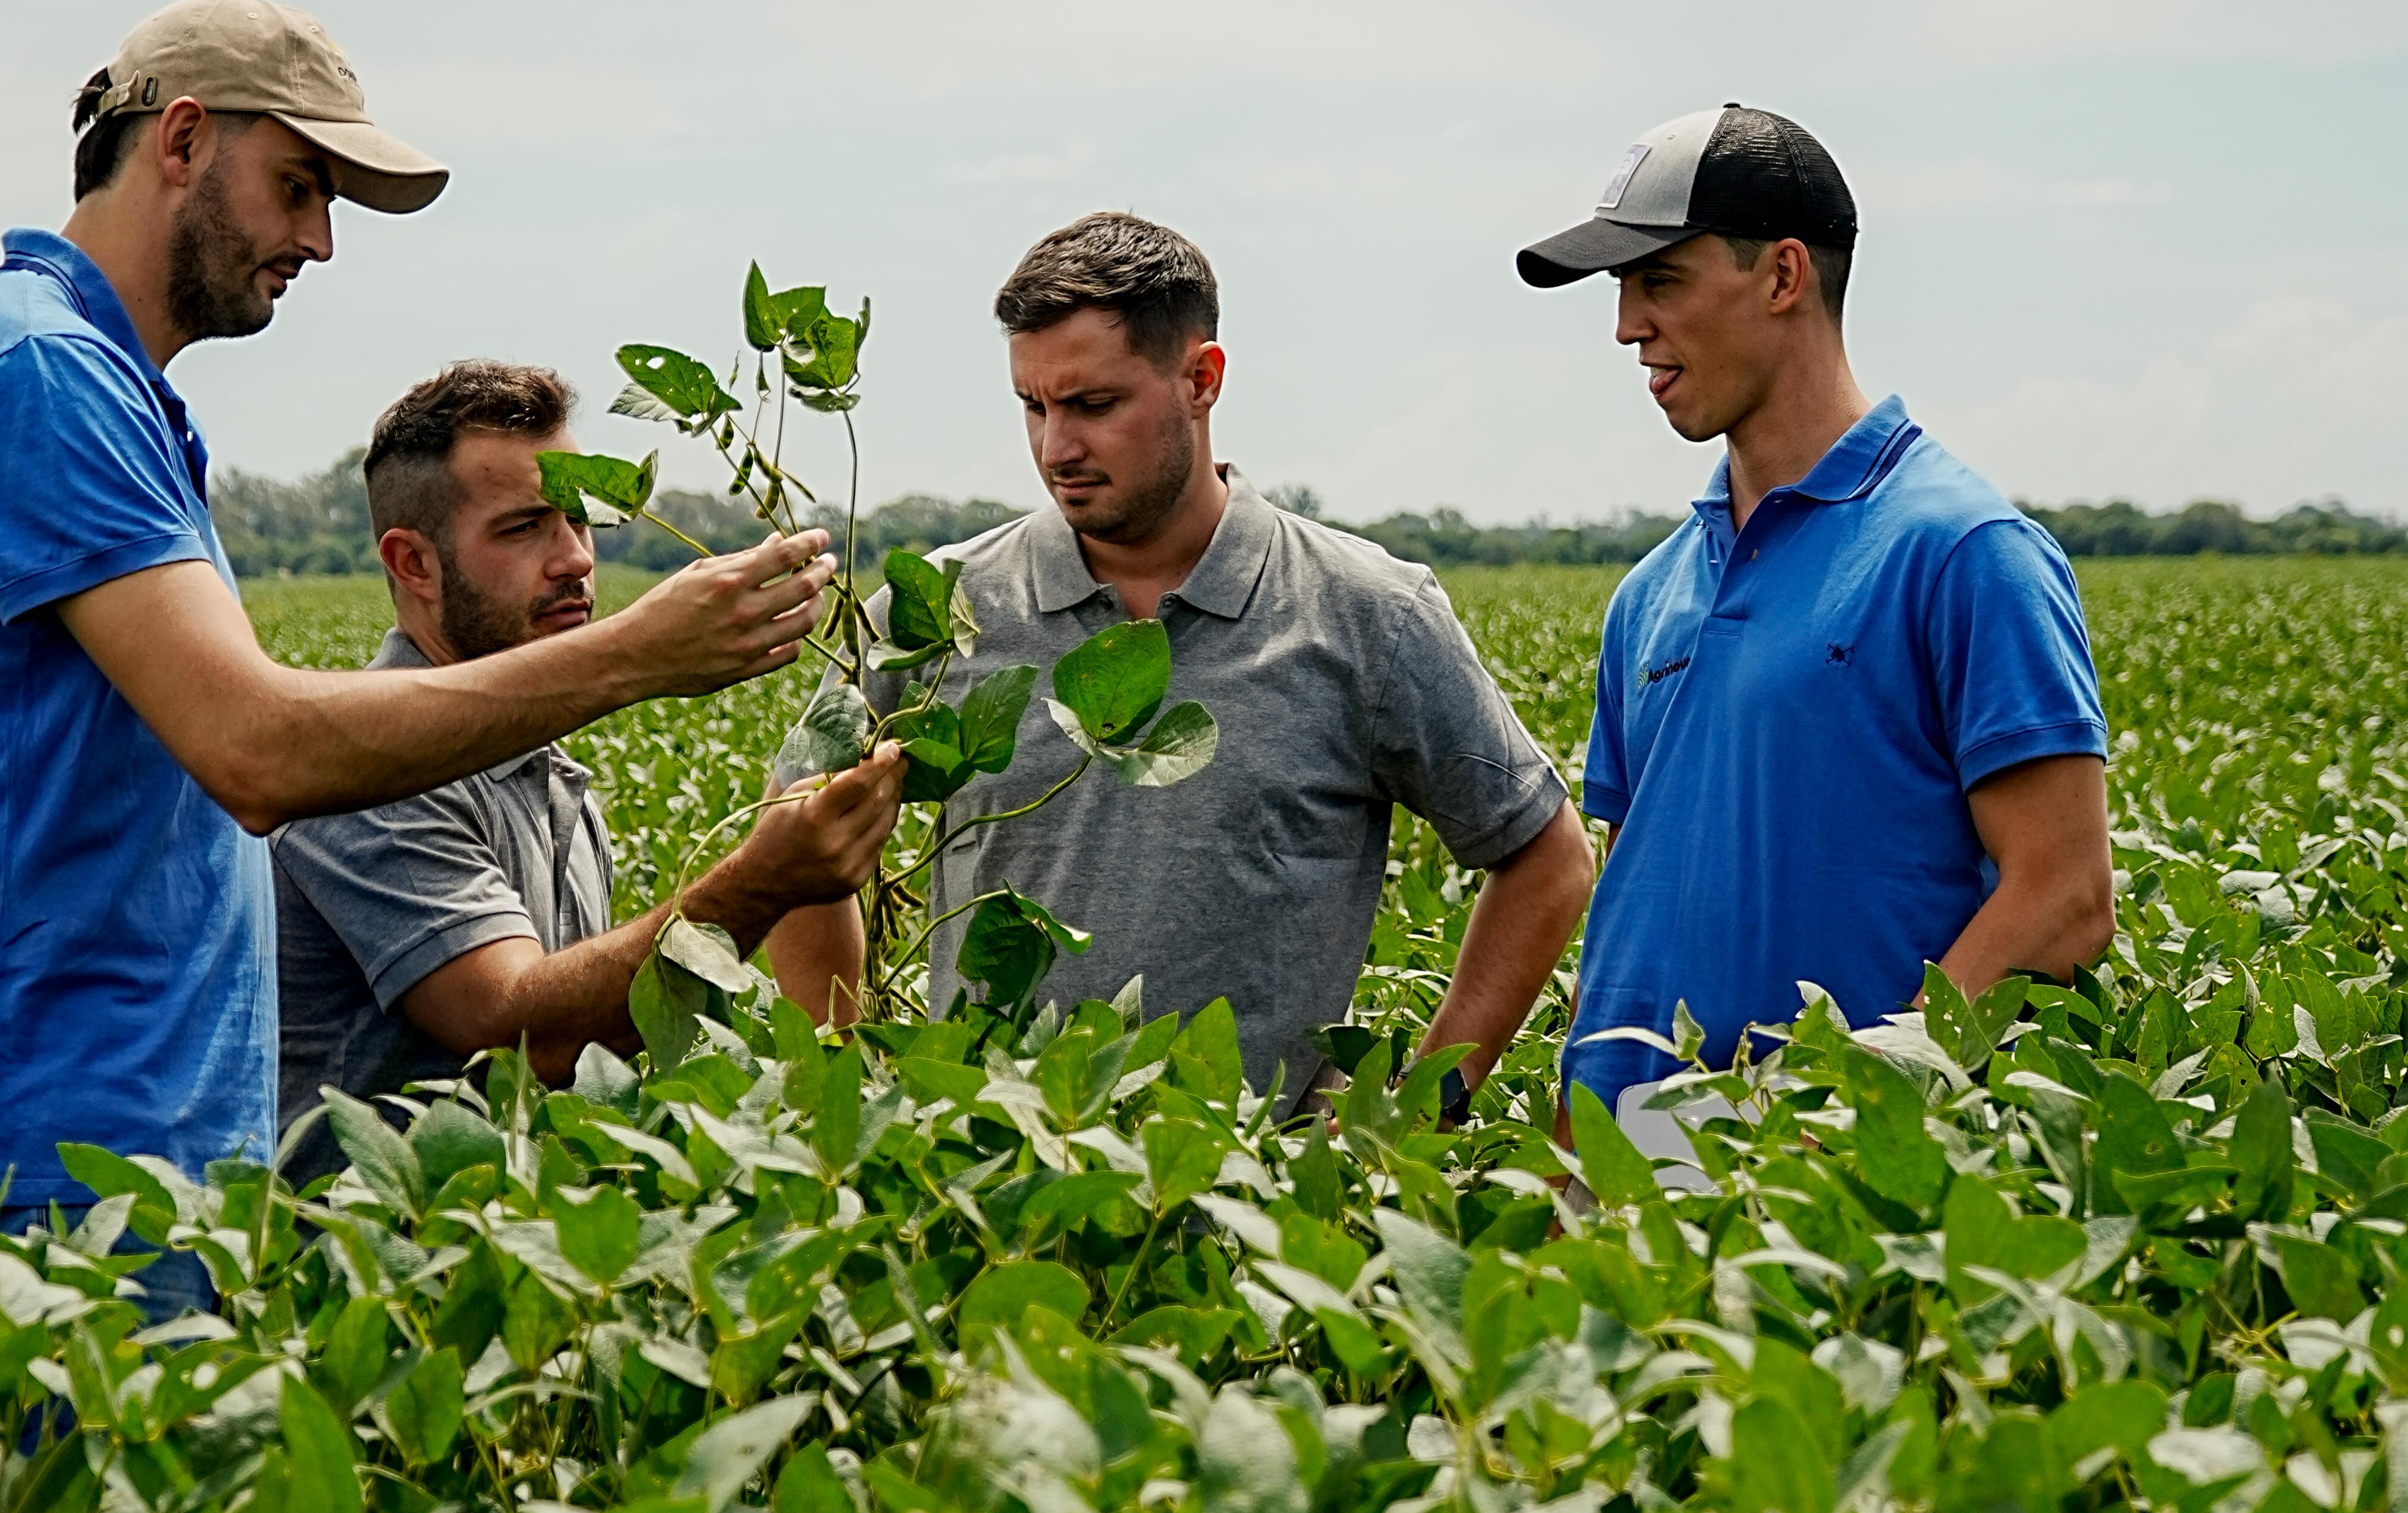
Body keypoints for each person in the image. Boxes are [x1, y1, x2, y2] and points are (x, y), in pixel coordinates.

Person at [0, 0, 838, 1216]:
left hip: (110, 1145)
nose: (321, 241)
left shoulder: (106, 390)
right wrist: (637, 657)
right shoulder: (36, 372)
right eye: (298, 186)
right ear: (179, 142)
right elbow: (255, 748)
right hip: (20, 1151)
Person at [772, 211, 1594, 1106]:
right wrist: (847, 1085)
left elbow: (1546, 857)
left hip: (1263, 1208)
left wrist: (1409, 1115)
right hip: (979, 1191)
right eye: (1033, 407)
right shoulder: (934, 608)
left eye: (1094, 405)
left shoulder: (1368, 615)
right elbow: (793, 833)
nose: (1057, 449)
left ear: (1202, 380)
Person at [1513, 102, 2113, 1144]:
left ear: (1784, 277)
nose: (1626, 327)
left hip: (1826, 1182)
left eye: (1660, 282)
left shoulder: (1964, 551)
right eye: (1621, 292)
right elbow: (1634, 923)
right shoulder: (1649, 593)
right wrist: (1575, 1166)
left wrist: (1839, 1124)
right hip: (1630, 1176)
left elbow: (2063, 899)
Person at [272, 361, 904, 1150]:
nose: (574, 557)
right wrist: (763, 883)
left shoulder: (545, 773)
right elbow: (517, 1034)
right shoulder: (369, 770)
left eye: (580, 520)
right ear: (414, 564)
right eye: (524, 527)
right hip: (357, 1261)